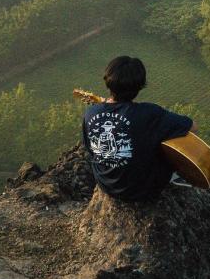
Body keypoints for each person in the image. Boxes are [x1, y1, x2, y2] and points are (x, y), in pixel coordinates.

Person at [82, 55, 197, 201]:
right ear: (140, 86)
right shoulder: (149, 113)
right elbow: (192, 127)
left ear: (108, 82)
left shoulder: (91, 112)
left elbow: (90, 149)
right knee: (163, 140)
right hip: (143, 191)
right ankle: (174, 179)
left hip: (107, 185)